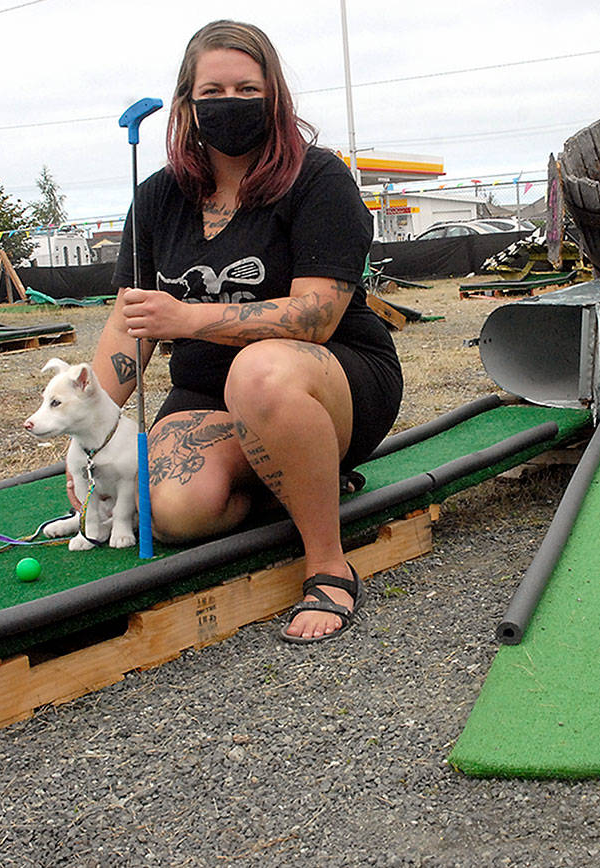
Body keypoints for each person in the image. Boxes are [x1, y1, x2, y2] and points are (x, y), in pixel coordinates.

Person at [87, 19, 403, 644]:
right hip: (210, 396)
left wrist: (190, 317)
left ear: (274, 95)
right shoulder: (156, 198)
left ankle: (327, 565)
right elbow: (133, 324)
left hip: (328, 375)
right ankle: (297, 469)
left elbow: (317, 315)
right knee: (174, 511)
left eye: (245, 88)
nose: (228, 104)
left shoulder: (319, 179)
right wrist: (87, 435)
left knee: (258, 370)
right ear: (185, 103)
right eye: (211, 92)